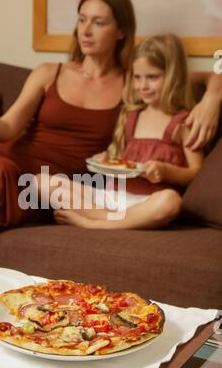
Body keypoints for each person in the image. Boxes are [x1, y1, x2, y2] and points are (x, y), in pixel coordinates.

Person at [0, 0, 221, 267]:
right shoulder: (48, 73)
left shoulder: (135, 80)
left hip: (45, 187)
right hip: (2, 160)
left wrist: (213, 97)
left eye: (98, 22)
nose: (86, 30)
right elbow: (7, 127)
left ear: (120, 31)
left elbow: (190, 76)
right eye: (81, 20)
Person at [37, 34, 204, 229]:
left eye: (152, 77)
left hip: (145, 203)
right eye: (138, 77)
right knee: (40, 182)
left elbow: (197, 173)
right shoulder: (132, 116)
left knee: (171, 201)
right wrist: (106, 159)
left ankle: (93, 223)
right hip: (111, 197)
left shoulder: (183, 123)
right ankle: (112, 219)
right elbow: (124, 161)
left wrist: (166, 171)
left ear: (173, 75)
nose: (142, 86)